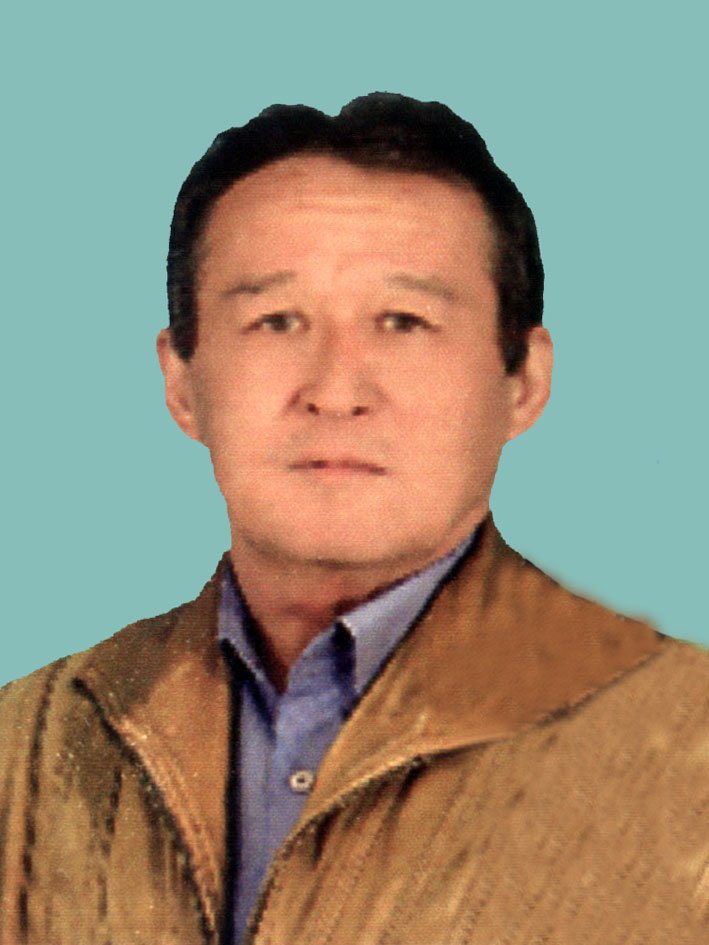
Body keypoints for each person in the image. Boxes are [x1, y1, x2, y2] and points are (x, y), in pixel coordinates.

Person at [1, 93, 707, 945]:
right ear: (182, 382)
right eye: (275, 321)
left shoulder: (688, 744)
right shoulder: (27, 743)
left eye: (403, 321)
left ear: (522, 380)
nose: (335, 390)